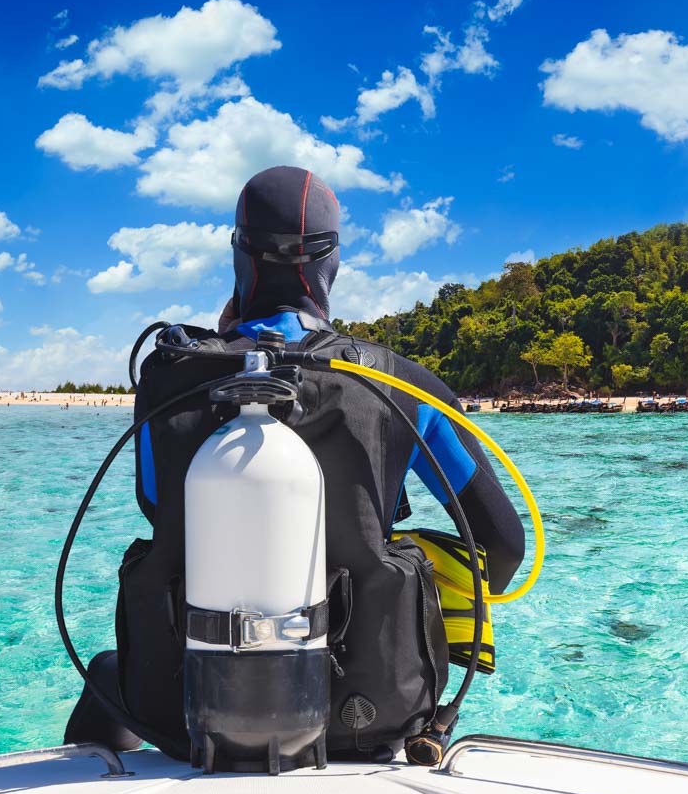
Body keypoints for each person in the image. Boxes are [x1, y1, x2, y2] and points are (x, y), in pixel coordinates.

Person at [66, 166, 525, 760]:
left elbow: (161, 508)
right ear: (330, 264)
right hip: (370, 712)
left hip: (185, 713)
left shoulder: (168, 379)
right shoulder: (401, 386)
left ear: (239, 254)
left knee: (107, 671)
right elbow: (503, 545)